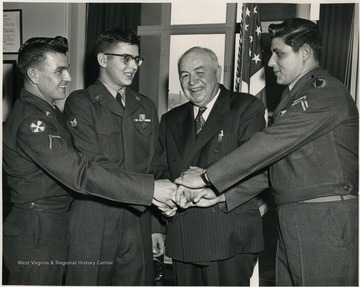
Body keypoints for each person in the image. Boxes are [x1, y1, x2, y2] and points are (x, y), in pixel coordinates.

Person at [176, 18, 359, 286]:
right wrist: (219, 194)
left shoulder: (325, 92)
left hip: (323, 219)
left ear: (305, 54)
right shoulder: (292, 97)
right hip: (294, 218)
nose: (271, 62)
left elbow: (271, 142)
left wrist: (206, 177)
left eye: (279, 53)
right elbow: (276, 167)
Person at [2, 36, 176, 286]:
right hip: (38, 233)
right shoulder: (33, 122)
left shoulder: (49, 112)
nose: (68, 77)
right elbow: (79, 172)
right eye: (59, 70)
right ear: (33, 74)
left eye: (68, 69)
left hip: (54, 226)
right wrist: (151, 189)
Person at [154, 46, 268, 286]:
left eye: (199, 72)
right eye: (184, 75)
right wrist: (167, 202)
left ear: (217, 72)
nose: (192, 82)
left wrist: (215, 191)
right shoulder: (170, 119)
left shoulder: (246, 108)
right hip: (183, 236)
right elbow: (160, 170)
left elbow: (259, 169)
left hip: (228, 236)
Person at [63, 29, 169, 286]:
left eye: (136, 59)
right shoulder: (81, 102)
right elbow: (92, 165)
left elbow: (156, 165)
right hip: (95, 217)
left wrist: (156, 225)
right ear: (102, 60)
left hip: (139, 219)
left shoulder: (145, 105)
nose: (133, 66)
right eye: (125, 58)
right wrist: (150, 190)